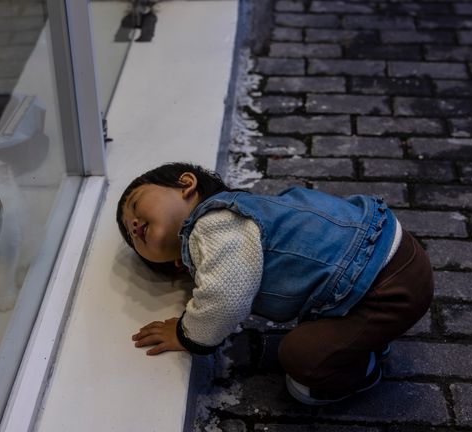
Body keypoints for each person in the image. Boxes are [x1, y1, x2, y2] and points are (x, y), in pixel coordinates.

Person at [116, 162, 433, 405]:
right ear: (174, 264)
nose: (133, 224)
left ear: (186, 184)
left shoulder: (211, 225)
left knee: (304, 371)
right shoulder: (241, 214)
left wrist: (186, 334)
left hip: (385, 285)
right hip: (388, 253)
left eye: (136, 203)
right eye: (132, 238)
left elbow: (225, 299)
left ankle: (364, 366)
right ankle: (367, 338)